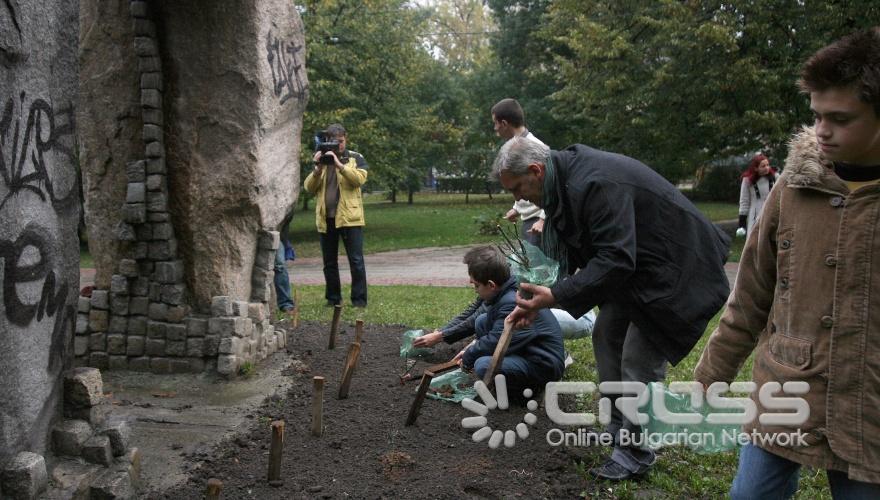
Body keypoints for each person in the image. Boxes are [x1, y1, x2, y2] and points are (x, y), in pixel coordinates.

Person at [694, 28, 880, 498]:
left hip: (868, 406)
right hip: (785, 387)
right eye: (817, 116)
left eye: (840, 118)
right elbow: (752, 293)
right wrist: (709, 378)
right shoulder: (793, 189)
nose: (822, 131)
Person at [493, 136, 731, 480]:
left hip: (678, 268)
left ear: (535, 170)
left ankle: (637, 452)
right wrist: (541, 300)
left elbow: (616, 258)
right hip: (639, 271)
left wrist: (557, 295)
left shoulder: (594, 182)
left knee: (638, 357)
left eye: (517, 188)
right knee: (606, 335)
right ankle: (619, 430)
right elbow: (582, 248)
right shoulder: (561, 184)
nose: (517, 198)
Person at [448, 246, 565, 397]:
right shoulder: (506, 292)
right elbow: (497, 335)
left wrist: (470, 355)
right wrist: (474, 348)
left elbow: (496, 340)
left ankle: (526, 391)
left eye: (476, 285)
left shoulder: (510, 302)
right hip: (526, 347)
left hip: (542, 363)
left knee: (483, 365)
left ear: (491, 285)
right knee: (483, 321)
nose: (475, 289)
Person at [303, 124, 369, 307]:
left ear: (345, 139)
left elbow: (359, 180)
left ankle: (359, 301)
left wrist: (339, 165)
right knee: (329, 262)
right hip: (326, 218)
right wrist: (317, 168)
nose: (338, 146)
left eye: (341, 141)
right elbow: (309, 188)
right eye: (333, 142)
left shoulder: (355, 157)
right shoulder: (322, 160)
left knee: (356, 261)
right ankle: (333, 299)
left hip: (350, 218)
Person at [492, 98, 547, 246]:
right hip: (529, 221)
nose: (495, 128)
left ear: (504, 123)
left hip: (539, 223)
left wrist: (543, 219)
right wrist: (517, 208)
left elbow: (553, 185)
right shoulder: (513, 148)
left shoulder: (535, 147)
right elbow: (521, 183)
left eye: (495, 123)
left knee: (539, 267)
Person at [737, 153, 779, 237]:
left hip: (773, 214)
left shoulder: (775, 177)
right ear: (756, 168)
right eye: (763, 166)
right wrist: (742, 223)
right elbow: (744, 201)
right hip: (755, 215)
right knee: (756, 241)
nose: (767, 168)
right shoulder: (747, 181)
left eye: (767, 165)